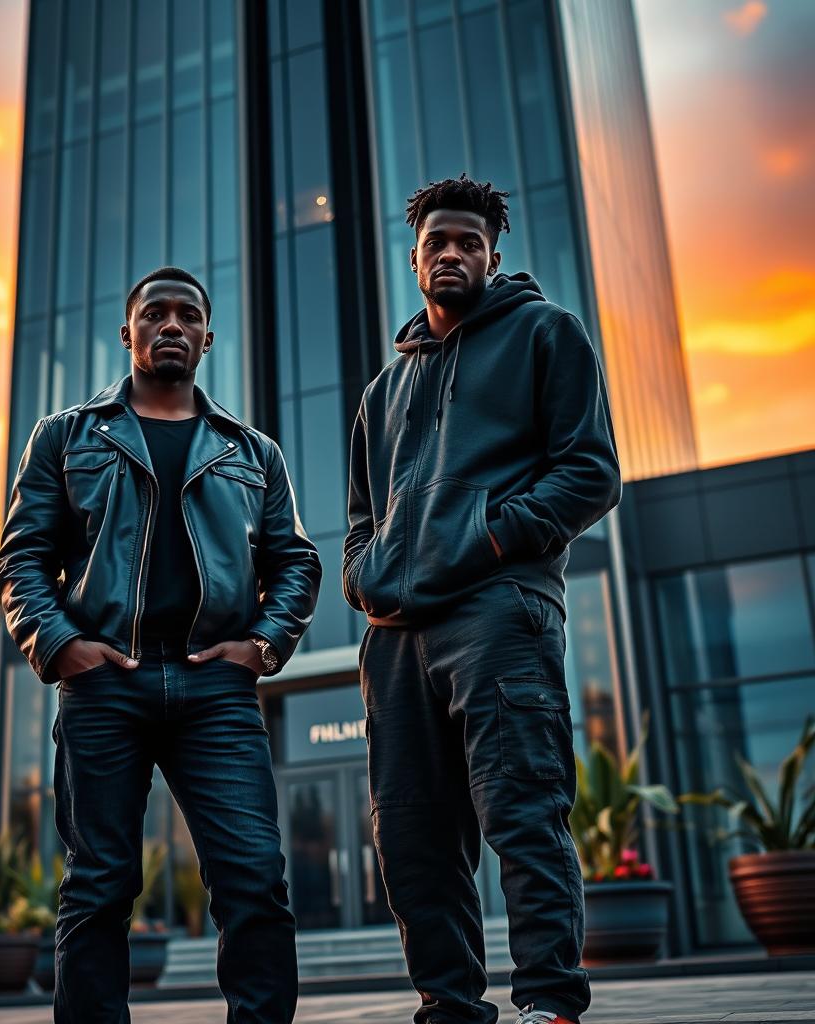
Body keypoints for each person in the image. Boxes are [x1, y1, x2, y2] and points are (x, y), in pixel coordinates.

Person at [0, 266, 321, 1023]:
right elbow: (21, 558)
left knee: (253, 879)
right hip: (105, 683)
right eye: (154, 314)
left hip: (217, 690)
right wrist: (60, 643)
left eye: (187, 316)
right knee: (100, 884)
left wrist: (263, 647)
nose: (170, 325)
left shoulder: (253, 451)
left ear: (208, 337)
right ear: (128, 333)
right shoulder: (66, 437)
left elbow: (297, 562)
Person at [342, 176, 621, 1024]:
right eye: (438, 243)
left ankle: (548, 1002)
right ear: (415, 259)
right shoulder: (381, 395)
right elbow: (359, 520)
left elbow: (590, 471)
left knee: (523, 811)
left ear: (492, 256)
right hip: (395, 639)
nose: (453, 253)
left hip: (500, 612)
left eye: (469, 242)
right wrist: (367, 578)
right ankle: (451, 1006)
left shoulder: (545, 334)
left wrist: (493, 538)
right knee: (412, 841)